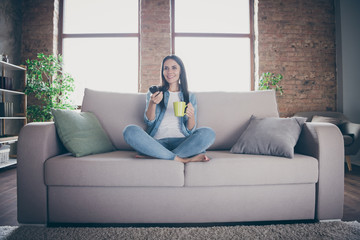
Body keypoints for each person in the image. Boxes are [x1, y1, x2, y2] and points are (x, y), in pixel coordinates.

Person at [123, 55, 215, 163]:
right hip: (157, 142)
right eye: (165, 68)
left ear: (181, 71)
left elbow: (190, 130)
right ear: (162, 72)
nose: (169, 71)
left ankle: (157, 155)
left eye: (174, 68)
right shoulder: (155, 93)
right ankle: (182, 159)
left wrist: (191, 116)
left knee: (208, 133)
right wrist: (152, 103)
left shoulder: (189, 96)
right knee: (129, 130)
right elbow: (149, 121)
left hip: (182, 142)